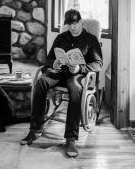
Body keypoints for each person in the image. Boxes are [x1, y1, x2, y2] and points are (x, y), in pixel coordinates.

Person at [20, 9, 103, 157]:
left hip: (77, 75)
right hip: (60, 73)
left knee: (76, 90)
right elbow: (49, 58)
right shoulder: (61, 38)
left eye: (75, 23)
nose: (72, 27)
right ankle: (35, 129)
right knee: (40, 83)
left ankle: (70, 139)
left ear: (80, 22)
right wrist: (54, 64)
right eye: (69, 24)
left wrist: (80, 67)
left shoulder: (91, 40)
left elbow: (98, 64)